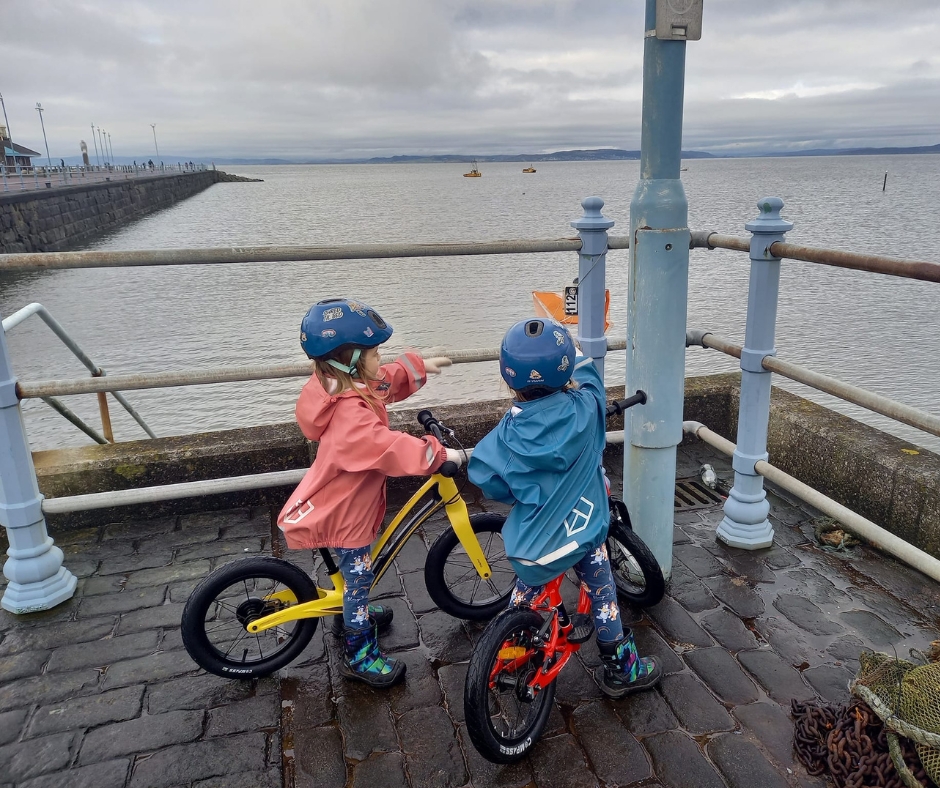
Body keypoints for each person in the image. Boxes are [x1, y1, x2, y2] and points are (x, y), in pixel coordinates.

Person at [468, 318, 661, 698]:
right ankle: (621, 669)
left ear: (509, 382)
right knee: (603, 593)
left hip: (533, 545)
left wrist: (524, 493)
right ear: (566, 370)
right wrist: (569, 350)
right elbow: (589, 373)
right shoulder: (588, 408)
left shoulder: (504, 437)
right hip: (583, 532)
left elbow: (486, 477)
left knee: (525, 591)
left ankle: (513, 643)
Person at [277, 298, 458, 688]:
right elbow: (387, 447)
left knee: (354, 574)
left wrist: (416, 368)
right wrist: (435, 452)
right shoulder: (350, 417)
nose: (381, 358)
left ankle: (350, 610)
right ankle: (359, 653)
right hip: (345, 510)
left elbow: (379, 383)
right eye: (376, 352)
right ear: (352, 360)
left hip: (343, 496)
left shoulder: (338, 386)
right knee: (360, 576)